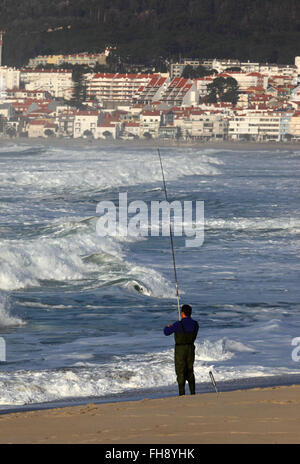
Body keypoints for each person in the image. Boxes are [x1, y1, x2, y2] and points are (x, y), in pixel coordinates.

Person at [164, 304, 199, 396]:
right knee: (190, 370)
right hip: (191, 348)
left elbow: (166, 332)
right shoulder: (195, 324)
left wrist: (168, 327)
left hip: (180, 349)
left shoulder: (178, 324)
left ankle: (182, 393)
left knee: (180, 371)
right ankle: (193, 392)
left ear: (182, 313)